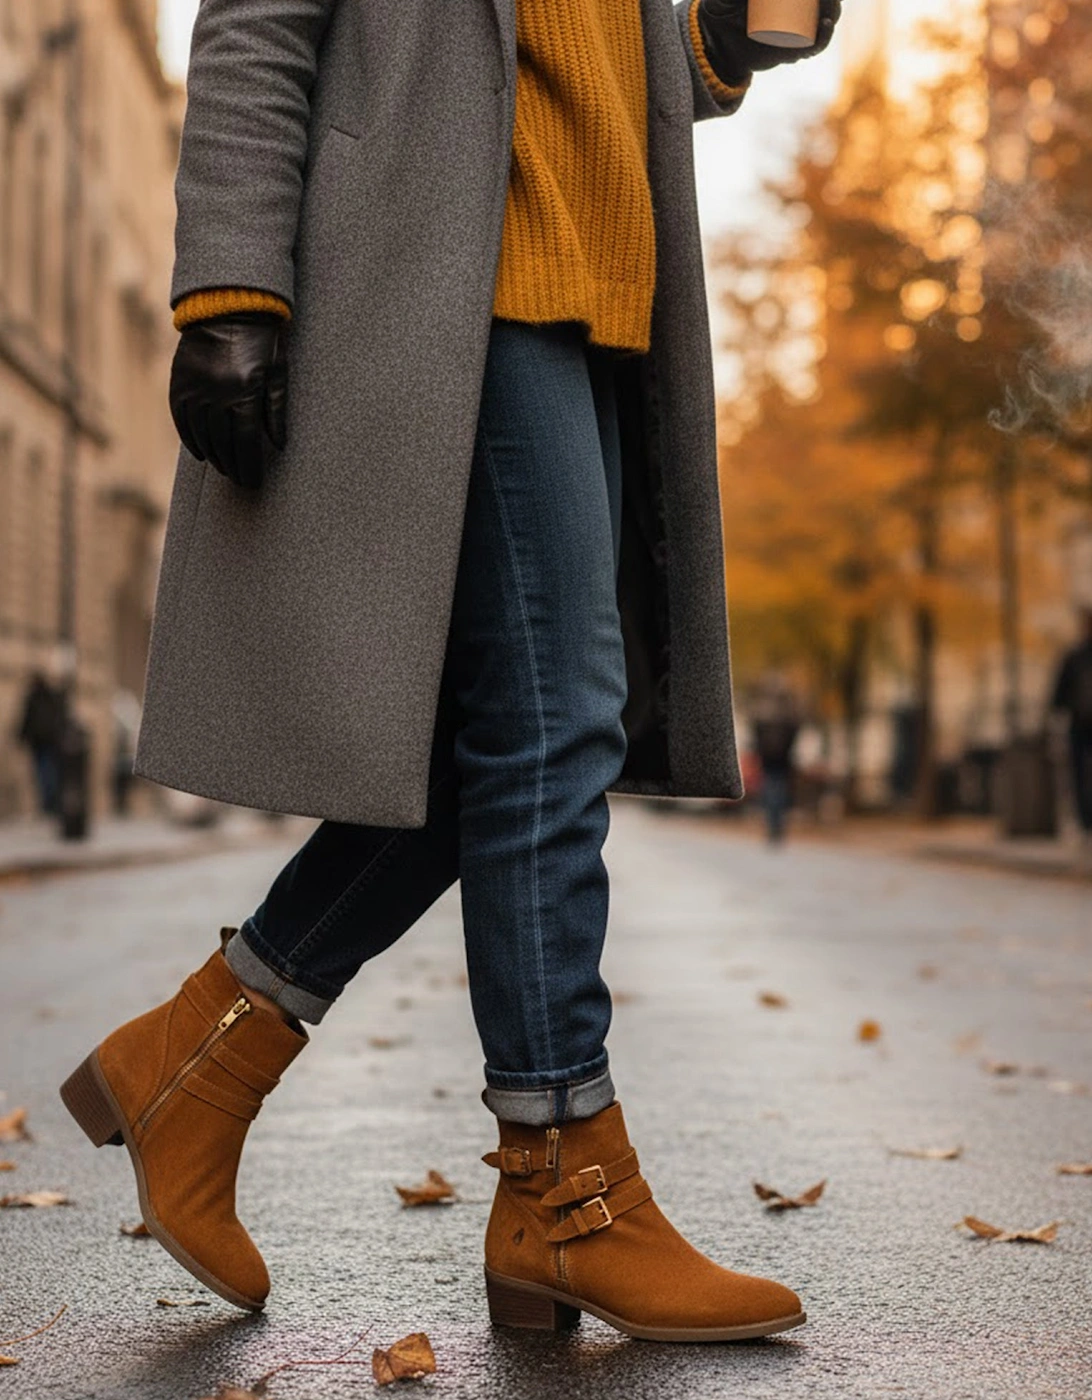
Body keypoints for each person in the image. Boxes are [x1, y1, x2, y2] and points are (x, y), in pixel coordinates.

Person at [60, 0, 841, 1341]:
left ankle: (197, 1059)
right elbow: (257, 22)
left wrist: (729, 35)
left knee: (499, 741)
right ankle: (561, 1177)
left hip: (603, 289)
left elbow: (617, 69)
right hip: (445, 286)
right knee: (550, 729)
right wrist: (230, 285)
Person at [1049, 607, 1092, 845]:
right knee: (1078, 773)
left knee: (1079, 773)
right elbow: (1059, 692)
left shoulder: (1074, 656)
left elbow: (1058, 694)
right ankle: (1085, 821)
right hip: (1079, 722)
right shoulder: (1073, 657)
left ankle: (1086, 821)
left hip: (1078, 721)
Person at [16, 670, 68, 816]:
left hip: (39, 741)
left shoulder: (33, 697)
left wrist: (20, 737)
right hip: (50, 740)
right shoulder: (51, 696)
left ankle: (48, 802)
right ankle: (51, 801)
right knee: (49, 770)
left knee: (43, 771)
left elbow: (26, 719)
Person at [753, 686, 801, 845]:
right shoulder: (788, 716)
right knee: (778, 796)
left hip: (770, 763)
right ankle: (777, 828)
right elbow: (795, 733)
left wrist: (760, 753)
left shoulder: (763, 715)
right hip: (781, 763)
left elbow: (756, 734)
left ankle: (773, 828)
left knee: (771, 796)